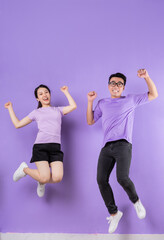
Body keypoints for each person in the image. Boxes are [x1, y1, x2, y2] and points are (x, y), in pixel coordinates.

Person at [87, 69, 158, 233]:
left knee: (122, 178)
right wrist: (90, 101)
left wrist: (146, 77)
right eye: (113, 83)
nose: (116, 86)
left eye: (119, 84)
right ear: (108, 86)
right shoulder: (102, 103)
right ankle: (114, 213)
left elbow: (153, 94)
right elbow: (90, 120)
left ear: (123, 87)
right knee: (101, 180)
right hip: (106, 147)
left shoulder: (131, 100)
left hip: (123, 145)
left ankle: (136, 201)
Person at [5, 84, 77, 197]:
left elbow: (73, 106)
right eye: (41, 93)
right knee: (45, 176)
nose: (44, 95)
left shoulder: (58, 110)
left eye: (46, 92)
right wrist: (10, 109)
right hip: (40, 147)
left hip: (55, 148)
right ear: (38, 98)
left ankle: (41, 181)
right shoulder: (36, 112)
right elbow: (17, 124)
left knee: (58, 177)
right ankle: (25, 169)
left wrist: (66, 92)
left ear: (50, 94)